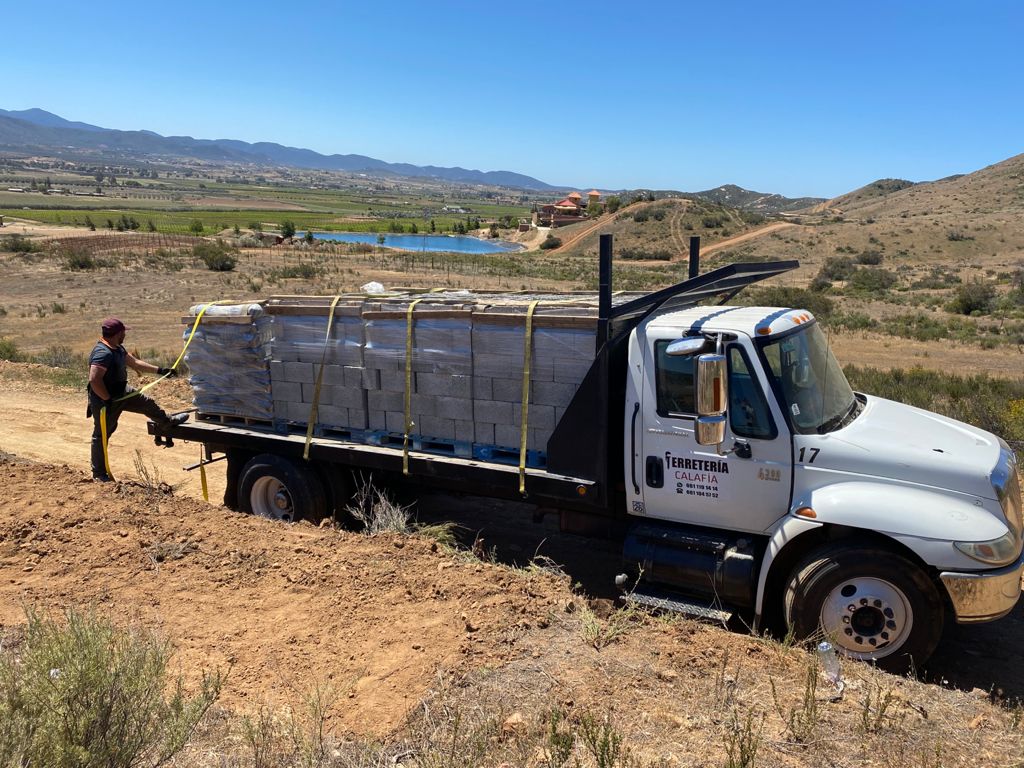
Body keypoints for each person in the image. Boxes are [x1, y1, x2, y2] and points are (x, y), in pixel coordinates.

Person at [87, 317, 188, 482]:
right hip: (105, 399)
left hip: (122, 392)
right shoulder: (102, 353)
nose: (125, 334)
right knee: (102, 434)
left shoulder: (117, 348)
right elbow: (94, 380)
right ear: (117, 333)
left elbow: (135, 363)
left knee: (147, 404)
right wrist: (107, 399)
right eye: (123, 331)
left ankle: (167, 422)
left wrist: (161, 370)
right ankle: (99, 474)